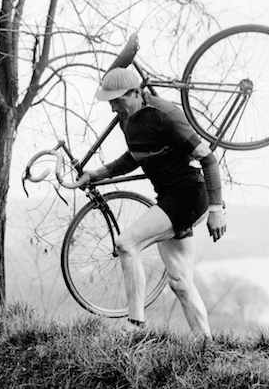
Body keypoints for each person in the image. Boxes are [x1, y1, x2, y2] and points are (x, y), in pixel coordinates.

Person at [76, 66, 226, 335]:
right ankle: (207, 345)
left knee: (126, 243)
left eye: (117, 101)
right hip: (170, 199)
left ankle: (136, 330)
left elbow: (208, 158)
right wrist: (98, 173)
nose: (113, 109)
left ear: (135, 92)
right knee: (180, 281)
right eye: (110, 103)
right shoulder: (127, 120)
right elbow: (134, 156)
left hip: (190, 195)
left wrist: (217, 209)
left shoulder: (165, 115)